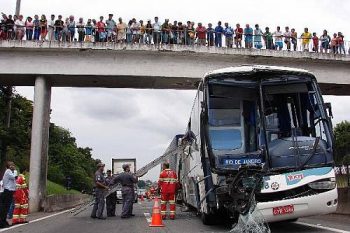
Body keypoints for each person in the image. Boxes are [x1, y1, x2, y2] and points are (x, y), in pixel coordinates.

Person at [0, 161, 16, 228]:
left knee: (6, 208)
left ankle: (4, 221)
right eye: (10, 165)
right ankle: (1, 223)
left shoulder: (11, 171)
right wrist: (15, 171)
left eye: (13, 165)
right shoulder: (8, 171)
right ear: (8, 166)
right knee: (4, 208)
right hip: (6, 191)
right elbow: (15, 177)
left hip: (10, 192)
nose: (12, 166)